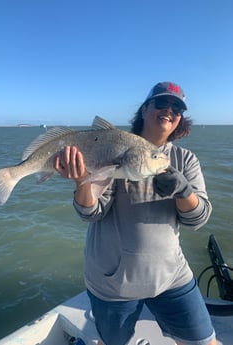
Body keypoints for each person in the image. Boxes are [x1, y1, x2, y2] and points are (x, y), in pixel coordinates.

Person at [54, 82, 217, 345]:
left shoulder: (186, 160)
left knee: (205, 341)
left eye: (177, 107)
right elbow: (92, 212)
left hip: (171, 276)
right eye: (161, 104)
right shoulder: (115, 149)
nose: (169, 110)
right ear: (144, 110)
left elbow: (197, 219)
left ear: (180, 120)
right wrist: (82, 181)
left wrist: (184, 191)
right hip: (114, 284)